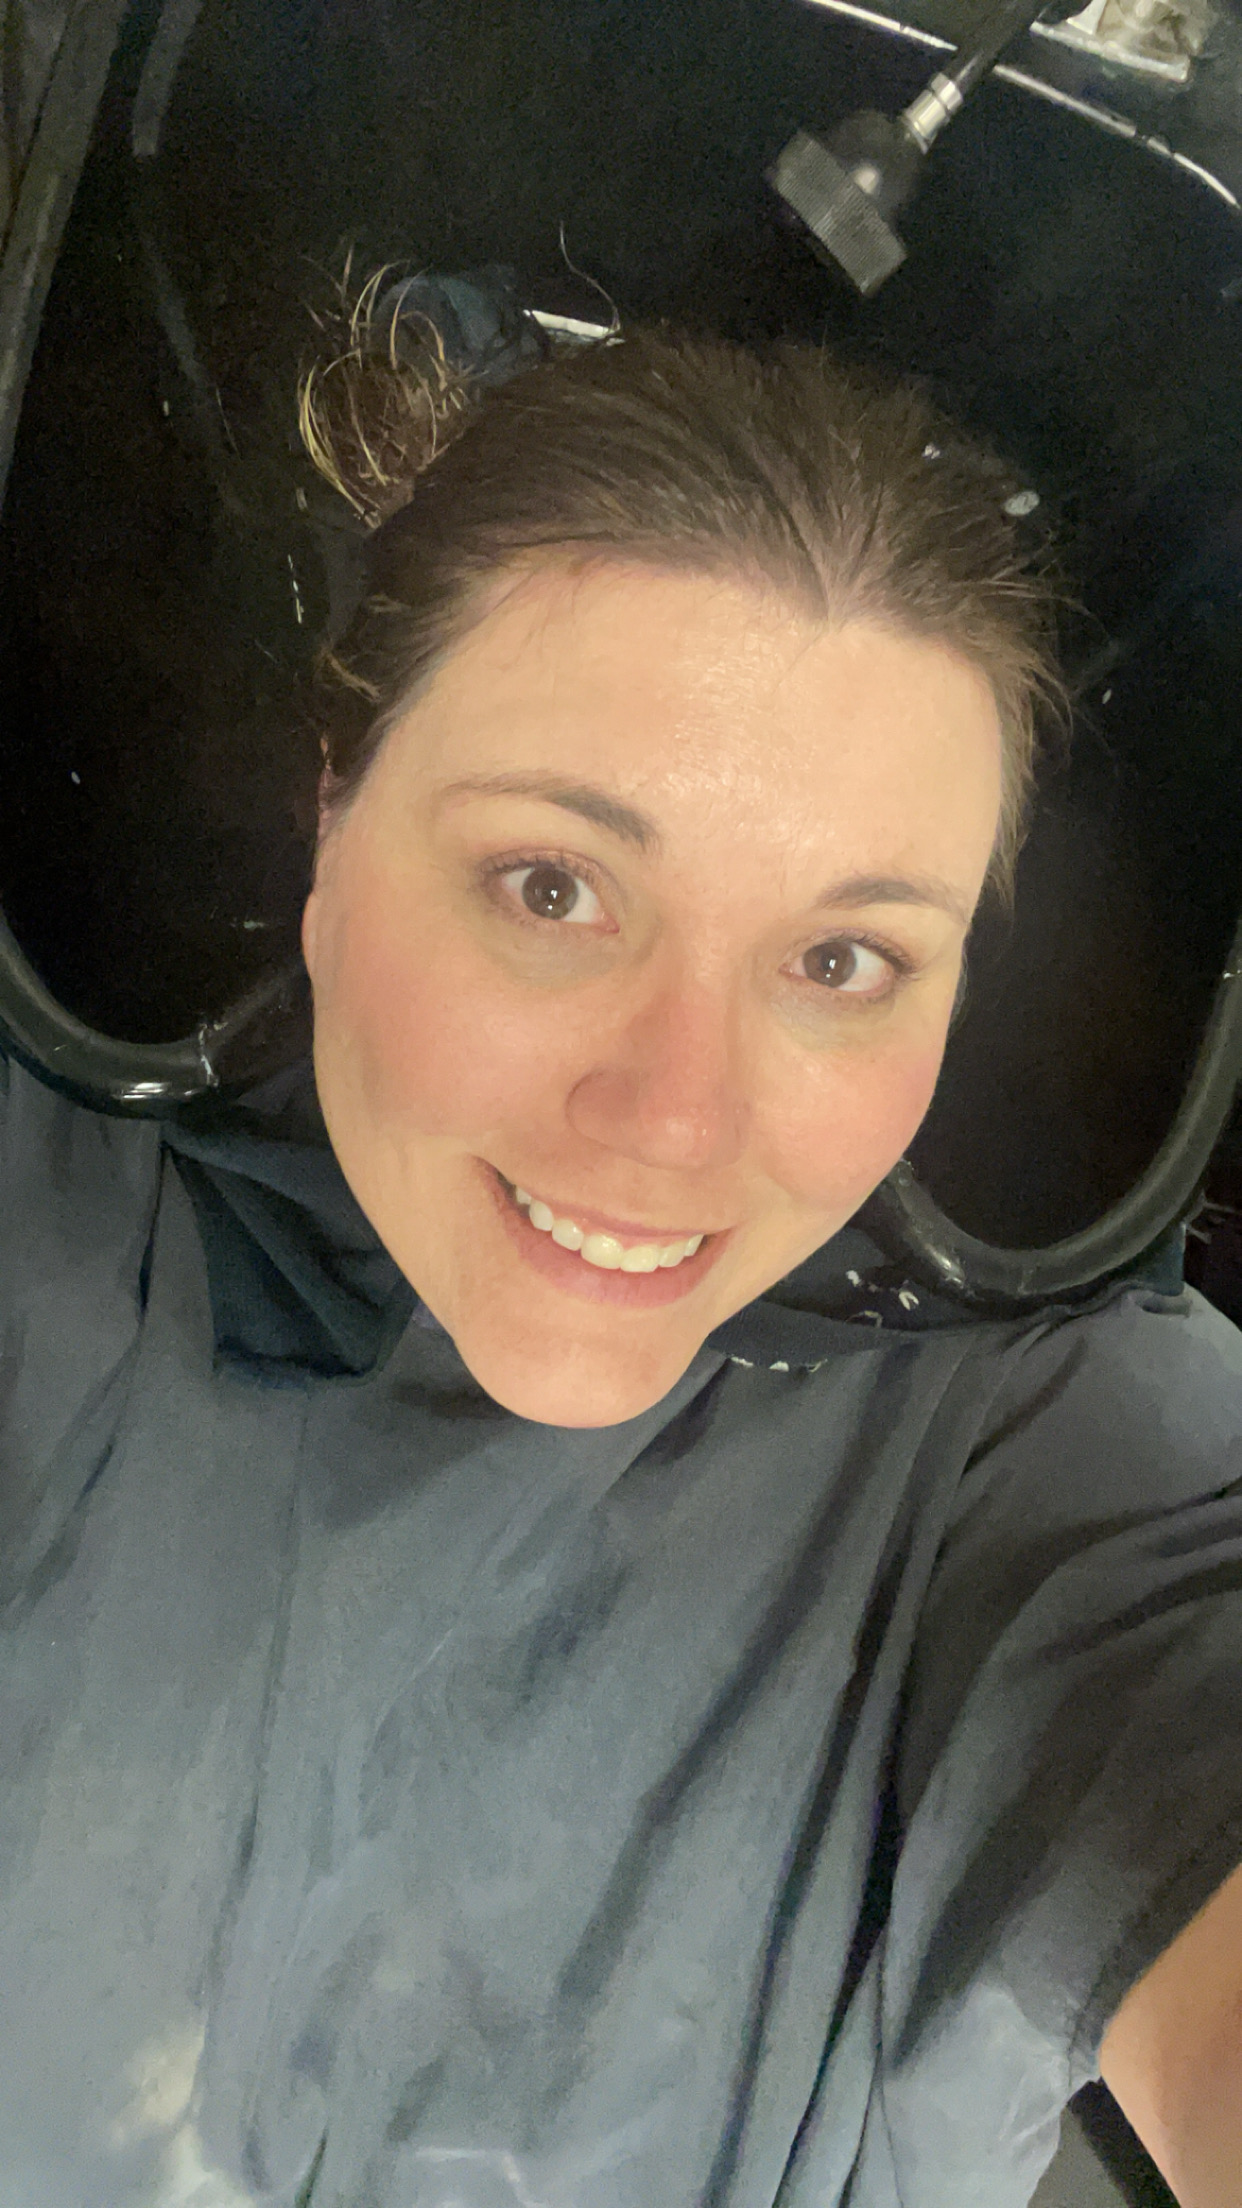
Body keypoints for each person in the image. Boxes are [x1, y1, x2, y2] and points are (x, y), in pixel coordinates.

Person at [0, 290, 1239, 2208]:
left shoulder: (1046, 1468)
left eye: (840, 959)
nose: (675, 1120)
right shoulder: (53, 1221)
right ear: (331, 817)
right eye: (553, 887)